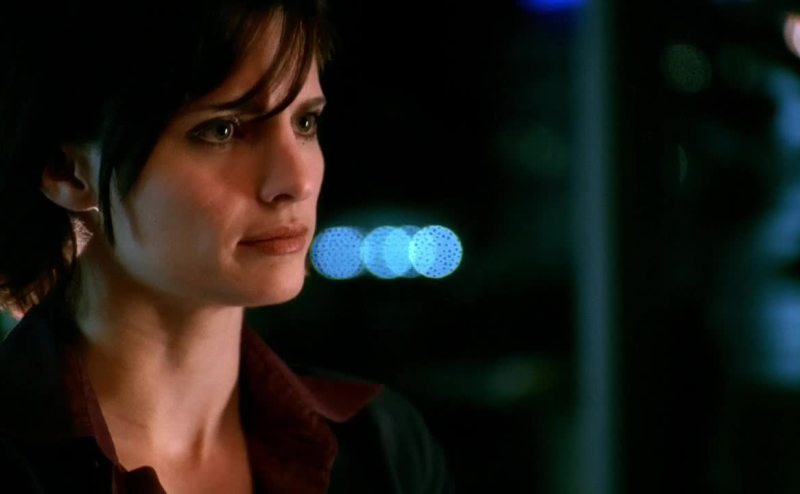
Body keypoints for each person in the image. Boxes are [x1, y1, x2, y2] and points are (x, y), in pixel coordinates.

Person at [0, 0, 451, 492]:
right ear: (68, 171)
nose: (296, 181)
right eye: (223, 129)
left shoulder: (384, 448)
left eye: (305, 123)